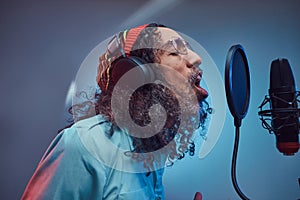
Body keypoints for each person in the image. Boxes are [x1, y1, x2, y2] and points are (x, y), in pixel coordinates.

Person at [22, 23, 210, 200]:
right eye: (175, 52)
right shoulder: (84, 143)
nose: (196, 58)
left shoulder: (151, 152)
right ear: (136, 75)